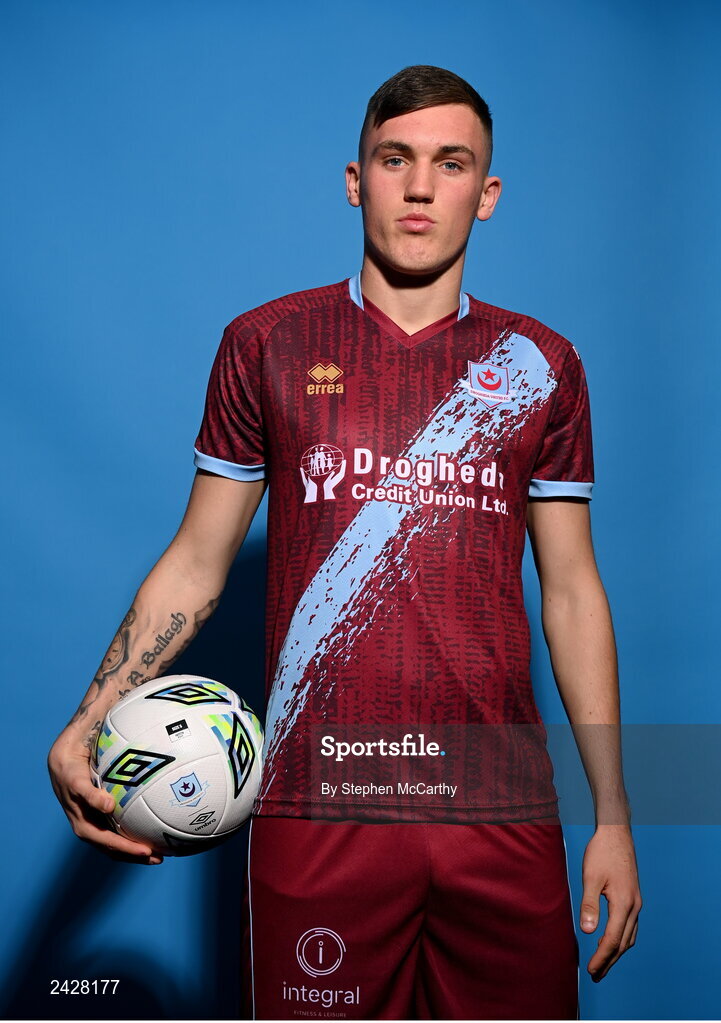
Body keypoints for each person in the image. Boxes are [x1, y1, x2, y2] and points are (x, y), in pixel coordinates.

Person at [48, 65, 642, 1020]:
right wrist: (92, 713)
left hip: (498, 805)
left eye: (450, 164)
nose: (419, 187)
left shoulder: (538, 363)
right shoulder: (266, 343)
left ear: (485, 196)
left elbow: (571, 591)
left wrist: (613, 814)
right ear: (354, 179)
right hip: (318, 806)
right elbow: (200, 562)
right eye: (393, 158)